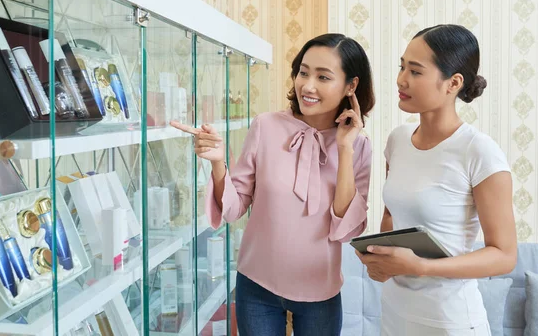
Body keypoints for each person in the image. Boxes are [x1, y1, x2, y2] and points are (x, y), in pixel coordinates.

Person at [171, 33, 375, 336]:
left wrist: (345, 148)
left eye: (323, 77)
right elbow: (234, 207)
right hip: (257, 285)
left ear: (351, 86)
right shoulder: (265, 125)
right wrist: (217, 163)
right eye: (303, 72)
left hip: (320, 288)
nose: (307, 86)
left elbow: (346, 229)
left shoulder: (359, 147)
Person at [356, 24, 517, 336]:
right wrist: (379, 257)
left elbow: (504, 256)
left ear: (453, 83)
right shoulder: (398, 140)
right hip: (395, 314)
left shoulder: (479, 152)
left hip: (449, 322)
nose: (401, 79)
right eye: (402, 67)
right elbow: (392, 214)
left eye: (416, 71)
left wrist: (420, 267)